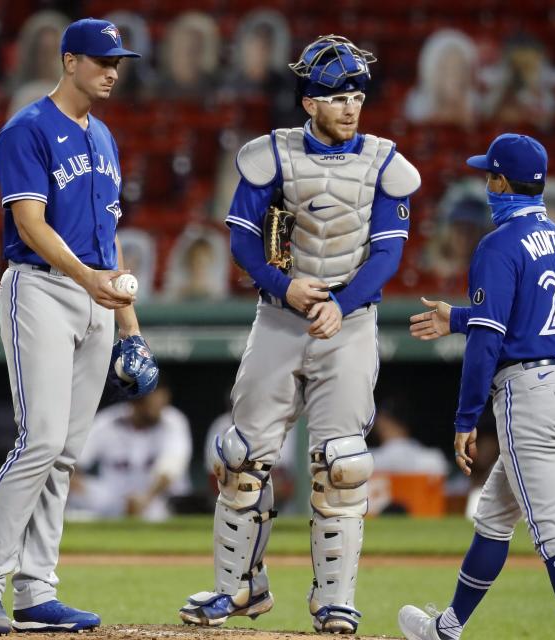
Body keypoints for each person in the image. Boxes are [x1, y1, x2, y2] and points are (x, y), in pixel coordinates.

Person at [179, 35, 421, 634]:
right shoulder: (272, 156)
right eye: (338, 97)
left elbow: (388, 254)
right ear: (310, 102)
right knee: (241, 456)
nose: (350, 108)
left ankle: (334, 600)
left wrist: (343, 303)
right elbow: (241, 237)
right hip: (281, 316)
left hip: (350, 322)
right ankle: (237, 589)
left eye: (357, 96)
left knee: (342, 463)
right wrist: (281, 285)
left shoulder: (386, 162)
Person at [0, 18, 153, 635]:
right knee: (38, 439)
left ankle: (37, 590)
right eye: (100, 60)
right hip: (40, 287)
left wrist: (130, 328)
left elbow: (108, 241)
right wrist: (89, 280)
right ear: (68, 61)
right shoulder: (27, 129)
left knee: (66, 454)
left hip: (97, 298)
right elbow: (31, 224)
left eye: (117, 60)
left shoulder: (105, 139)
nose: (112, 70)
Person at [401, 133, 555, 640]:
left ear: (500, 181)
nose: (485, 184)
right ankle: (447, 628)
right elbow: (524, 318)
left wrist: (466, 419)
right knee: (493, 516)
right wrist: (459, 318)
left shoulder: (496, 244)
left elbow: (488, 346)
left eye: (488, 175)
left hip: (531, 397)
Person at [68, 381, 192, 521]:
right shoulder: (106, 423)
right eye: (152, 403)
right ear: (136, 402)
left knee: (159, 511)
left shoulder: (173, 421)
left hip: (159, 500)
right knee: (80, 493)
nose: (159, 408)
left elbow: (169, 470)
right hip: (113, 501)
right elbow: (73, 463)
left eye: (162, 402)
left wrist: (145, 499)